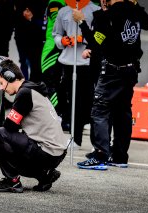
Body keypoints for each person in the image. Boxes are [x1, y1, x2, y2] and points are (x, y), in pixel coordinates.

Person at [73, 0, 148, 170]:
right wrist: (136, 4)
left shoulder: (106, 16)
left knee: (100, 110)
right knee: (123, 112)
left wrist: (81, 22)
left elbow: (96, 42)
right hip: (131, 70)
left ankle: (101, 155)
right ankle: (120, 156)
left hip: (112, 71)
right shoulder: (134, 10)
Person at [0, 59, 67, 193]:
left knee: (1, 135)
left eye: (1, 83)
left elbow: (9, 127)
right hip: (56, 152)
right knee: (15, 143)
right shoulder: (32, 89)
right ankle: (44, 176)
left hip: (46, 151)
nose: (1, 88)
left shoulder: (24, 93)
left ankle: (11, 181)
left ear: (10, 77)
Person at [52, 1, 100, 148]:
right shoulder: (63, 11)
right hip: (68, 61)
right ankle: (75, 137)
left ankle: (97, 141)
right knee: (72, 101)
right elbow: (56, 34)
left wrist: (83, 39)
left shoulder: (95, 10)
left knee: (91, 101)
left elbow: (100, 36)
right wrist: (62, 41)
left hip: (87, 62)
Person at [41, 0, 66, 120]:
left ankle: (56, 115)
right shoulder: (61, 4)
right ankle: (60, 114)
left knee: (50, 83)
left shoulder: (55, 3)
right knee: (54, 83)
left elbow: (60, 25)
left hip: (52, 49)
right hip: (56, 47)